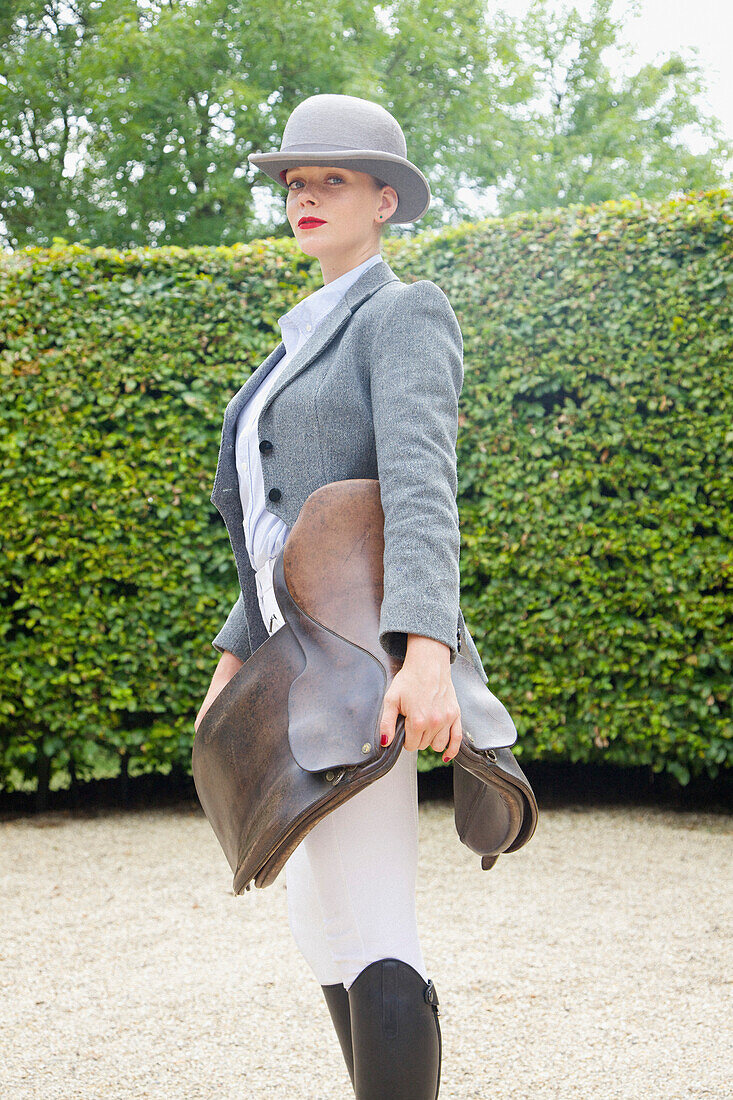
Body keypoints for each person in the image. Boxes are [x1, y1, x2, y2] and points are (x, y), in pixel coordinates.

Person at [195, 92, 489, 1100]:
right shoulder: (288, 346)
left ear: (384, 199)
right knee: (320, 922)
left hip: (365, 665)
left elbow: (416, 489)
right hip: (289, 677)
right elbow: (272, 535)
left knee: (371, 919)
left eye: (331, 180)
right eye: (294, 182)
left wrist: (428, 653)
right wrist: (229, 670)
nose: (305, 197)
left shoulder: (404, 311)